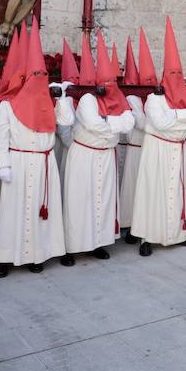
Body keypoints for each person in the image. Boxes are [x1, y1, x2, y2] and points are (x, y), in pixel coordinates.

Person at [0, 22, 69, 276]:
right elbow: (0, 138)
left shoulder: (52, 103)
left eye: (43, 77)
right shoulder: (8, 106)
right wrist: (3, 165)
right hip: (18, 163)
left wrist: (63, 98)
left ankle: (38, 254)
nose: (40, 82)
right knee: (12, 212)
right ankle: (4, 258)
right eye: (35, 76)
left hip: (44, 164)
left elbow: (66, 122)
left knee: (40, 213)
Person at [131, 17, 186, 255]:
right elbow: (161, 122)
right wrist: (183, 115)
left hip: (177, 147)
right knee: (153, 190)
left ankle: (178, 233)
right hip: (157, 149)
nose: (175, 76)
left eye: (178, 72)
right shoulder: (155, 98)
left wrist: (175, 114)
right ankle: (146, 237)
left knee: (177, 191)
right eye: (171, 72)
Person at [61, 35, 135, 264]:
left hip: (106, 156)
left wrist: (108, 123)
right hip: (85, 155)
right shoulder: (87, 100)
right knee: (80, 200)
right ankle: (72, 246)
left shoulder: (119, 99)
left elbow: (129, 123)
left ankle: (98, 243)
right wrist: (113, 125)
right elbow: (93, 124)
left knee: (103, 200)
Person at [117, 30, 159, 242]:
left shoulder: (154, 98)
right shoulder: (132, 98)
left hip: (150, 149)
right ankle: (131, 224)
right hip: (135, 149)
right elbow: (141, 122)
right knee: (132, 190)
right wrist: (159, 122)